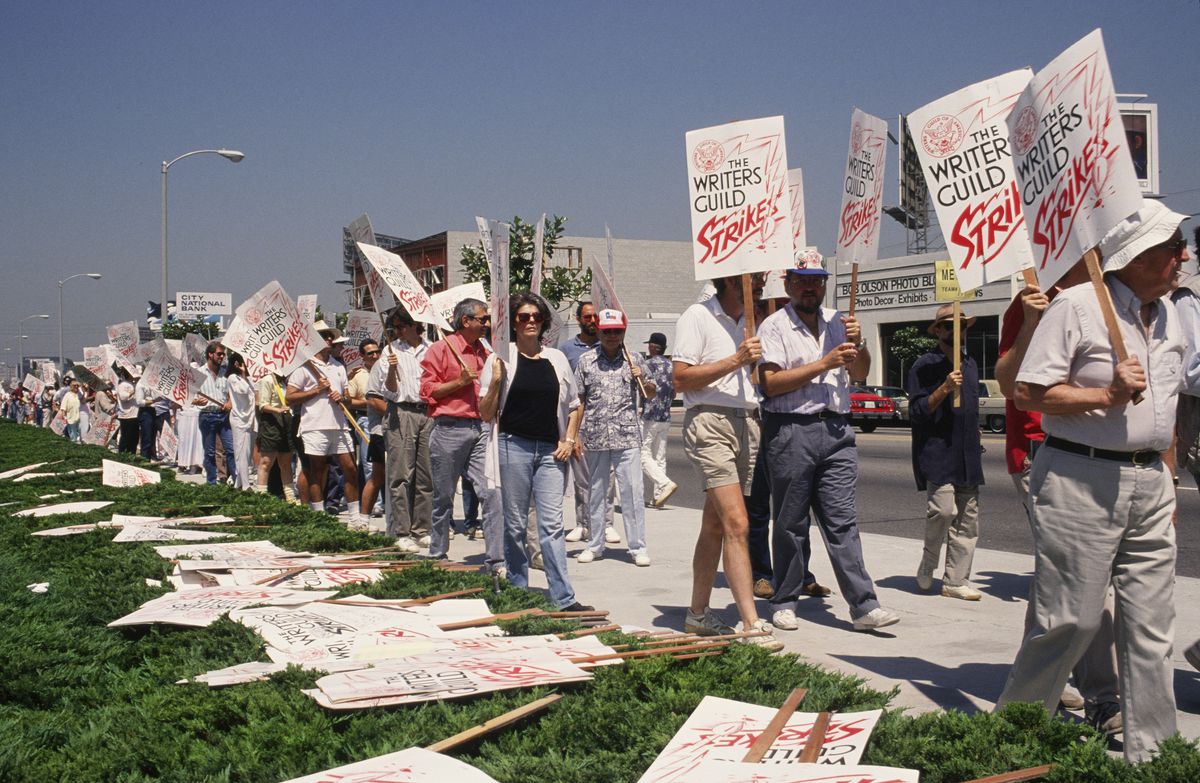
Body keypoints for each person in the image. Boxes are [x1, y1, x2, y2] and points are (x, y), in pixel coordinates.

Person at [996, 200, 1189, 763]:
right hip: (1080, 477)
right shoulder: (1076, 306)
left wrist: (1167, 477)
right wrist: (1104, 396)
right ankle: (1013, 736)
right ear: (1133, 254)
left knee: (1152, 628)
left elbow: (1167, 407)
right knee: (1071, 620)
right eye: (1172, 245)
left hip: (1150, 483)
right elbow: (1027, 392)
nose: (1184, 255)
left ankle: (1155, 755)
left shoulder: (1173, 313)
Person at [995, 263, 1122, 733]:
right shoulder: (1032, 299)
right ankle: (1103, 698)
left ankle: (1035, 683)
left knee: (1059, 580)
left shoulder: (1114, 300)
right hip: (1042, 452)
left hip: (1106, 458)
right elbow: (1011, 385)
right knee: (1085, 579)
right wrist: (1030, 323)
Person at [758, 253, 899, 632]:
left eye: (817, 280)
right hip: (791, 429)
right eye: (803, 280)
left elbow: (861, 371)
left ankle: (864, 605)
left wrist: (860, 343)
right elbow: (770, 384)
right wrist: (824, 363)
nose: (810, 287)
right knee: (790, 522)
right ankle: (784, 599)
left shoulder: (840, 321)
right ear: (788, 284)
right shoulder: (773, 326)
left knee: (842, 522)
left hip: (837, 431)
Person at [672, 273, 781, 651]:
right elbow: (681, 379)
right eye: (755, 276)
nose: (763, 279)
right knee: (738, 521)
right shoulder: (698, 316)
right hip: (710, 420)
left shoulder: (752, 322)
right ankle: (750, 622)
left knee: (716, 522)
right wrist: (737, 359)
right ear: (731, 279)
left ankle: (697, 614)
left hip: (747, 422)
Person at [480, 292, 591, 609]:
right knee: (514, 524)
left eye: (536, 317)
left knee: (552, 526)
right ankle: (517, 590)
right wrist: (497, 382)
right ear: (513, 323)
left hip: (550, 452)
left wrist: (569, 438)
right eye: (523, 317)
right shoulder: (499, 359)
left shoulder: (556, 359)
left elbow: (573, 405)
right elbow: (486, 412)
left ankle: (563, 597)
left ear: (544, 323)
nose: (530, 321)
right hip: (512, 445)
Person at [420, 298, 504, 573]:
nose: (486, 324)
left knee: (491, 493)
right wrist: (460, 382)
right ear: (465, 321)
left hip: (480, 428)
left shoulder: (487, 351)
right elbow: (427, 392)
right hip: (448, 429)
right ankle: (438, 551)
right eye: (482, 319)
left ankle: (495, 559)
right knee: (444, 496)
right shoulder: (440, 349)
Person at [906, 304, 984, 601]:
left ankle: (956, 579)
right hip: (938, 451)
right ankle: (929, 561)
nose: (957, 330)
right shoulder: (924, 365)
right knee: (943, 510)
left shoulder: (971, 364)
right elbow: (917, 411)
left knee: (967, 520)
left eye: (961, 325)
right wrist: (943, 388)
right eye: (949, 325)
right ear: (938, 330)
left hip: (967, 452)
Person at [574, 309, 652, 566]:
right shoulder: (586, 361)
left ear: (623, 332)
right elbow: (579, 400)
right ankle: (595, 545)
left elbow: (650, 393)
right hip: (595, 436)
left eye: (616, 331)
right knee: (596, 493)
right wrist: (573, 434)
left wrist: (643, 378)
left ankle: (637, 547)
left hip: (627, 435)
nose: (611, 336)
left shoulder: (634, 359)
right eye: (607, 331)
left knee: (632, 492)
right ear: (598, 330)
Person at [368, 309, 433, 552]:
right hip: (401, 410)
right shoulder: (390, 350)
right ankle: (401, 530)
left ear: (415, 325)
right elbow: (390, 390)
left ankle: (422, 528)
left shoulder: (431, 348)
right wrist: (393, 369)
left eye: (402, 326)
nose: (398, 332)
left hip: (426, 411)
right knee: (401, 474)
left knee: (425, 475)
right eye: (394, 327)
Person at [286, 321, 363, 527]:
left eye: (330, 335)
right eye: (324, 335)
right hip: (314, 426)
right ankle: (318, 516)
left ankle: (355, 518)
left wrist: (343, 398)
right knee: (317, 471)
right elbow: (289, 398)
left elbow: (347, 395)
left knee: (350, 468)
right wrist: (317, 390)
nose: (329, 338)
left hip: (339, 425)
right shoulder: (303, 368)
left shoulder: (338, 366)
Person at [560, 301, 616, 545]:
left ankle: (607, 524)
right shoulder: (567, 350)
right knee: (582, 478)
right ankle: (583, 524)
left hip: (608, 421)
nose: (592, 321)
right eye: (587, 317)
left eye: (596, 317)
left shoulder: (613, 347)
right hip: (579, 421)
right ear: (578, 318)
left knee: (608, 477)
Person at [192, 341, 238, 486]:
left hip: (224, 415)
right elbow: (190, 395)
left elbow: (231, 393)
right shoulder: (199, 372)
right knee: (210, 452)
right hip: (207, 415)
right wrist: (196, 401)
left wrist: (230, 402)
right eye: (219, 354)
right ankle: (211, 483)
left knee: (230, 449)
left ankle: (237, 481)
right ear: (210, 354)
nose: (222, 357)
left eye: (223, 354)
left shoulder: (226, 373)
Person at [640, 332, 678, 508]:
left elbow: (645, 388)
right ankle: (658, 497)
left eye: (650, 345)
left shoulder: (648, 365)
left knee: (643, 454)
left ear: (654, 347)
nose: (648, 347)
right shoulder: (672, 366)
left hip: (650, 414)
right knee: (660, 456)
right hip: (666, 415)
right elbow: (675, 391)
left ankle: (664, 483)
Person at [348, 337, 384, 520]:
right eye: (370, 353)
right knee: (371, 466)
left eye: (378, 351)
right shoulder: (359, 376)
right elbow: (348, 400)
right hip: (366, 421)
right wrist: (370, 402)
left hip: (389, 422)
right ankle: (374, 506)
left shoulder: (387, 369)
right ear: (363, 356)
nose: (375, 355)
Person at [254, 371, 298, 502]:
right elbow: (262, 404)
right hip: (271, 423)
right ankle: (261, 496)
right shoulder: (267, 380)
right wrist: (278, 410)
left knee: (285, 462)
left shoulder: (287, 382)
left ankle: (290, 496)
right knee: (266, 462)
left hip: (287, 422)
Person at [226, 352, 257, 491]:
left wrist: (246, 376)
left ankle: (238, 482)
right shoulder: (233, 378)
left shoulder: (246, 378)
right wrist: (244, 374)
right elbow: (243, 391)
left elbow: (254, 390)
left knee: (247, 452)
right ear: (237, 364)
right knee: (241, 452)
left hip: (249, 418)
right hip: (239, 419)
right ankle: (245, 485)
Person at [115, 371, 139, 454]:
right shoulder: (122, 385)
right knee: (125, 437)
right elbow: (123, 397)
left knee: (134, 438)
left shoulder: (133, 384)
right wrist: (133, 391)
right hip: (126, 415)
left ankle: (132, 453)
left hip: (135, 415)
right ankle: (122, 454)